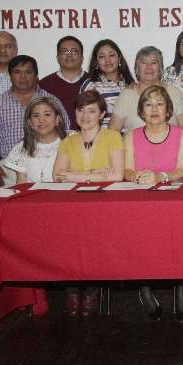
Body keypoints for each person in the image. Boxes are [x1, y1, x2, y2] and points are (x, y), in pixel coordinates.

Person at [123, 86, 183, 321]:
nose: (154, 109)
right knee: (139, 232)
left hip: (174, 198)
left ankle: (182, 286)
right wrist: (135, 176)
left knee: (180, 232)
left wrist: (161, 177)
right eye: (149, 104)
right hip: (141, 200)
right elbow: (126, 170)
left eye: (159, 103)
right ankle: (144, 285)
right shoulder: (130, 135)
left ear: (168, 110)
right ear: (141, 111)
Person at [53, 90, 124, 317]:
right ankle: (73, 292)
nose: (85, 116)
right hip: (72, 205)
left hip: (104, 206)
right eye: (81, 110)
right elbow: (58, 176)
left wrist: (79, 175)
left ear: (102, 113)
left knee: (95, 244)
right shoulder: (67, 140)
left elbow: (117, 175)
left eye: (92, 110)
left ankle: (92, 291)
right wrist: (97, 173)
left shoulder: (113, 137)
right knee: (67, 242)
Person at [0, 55, 70, 187]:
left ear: (36, 76)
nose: (23, 77)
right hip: (9, 169)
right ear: (10, 76)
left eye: (28, 72)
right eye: (17, 72)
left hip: (50, 166)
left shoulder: (51, 101)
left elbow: (65, 130)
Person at [109, 46, 183, 132]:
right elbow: (112, 131)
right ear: (137, 68)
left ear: (160, 68)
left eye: (154, 63)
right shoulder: (126, 95)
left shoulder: (174, 93)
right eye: (143, 62)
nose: (149, 67)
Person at [1, 97, 69, 184]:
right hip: (32, 196)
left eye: (47, 114)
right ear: (30, 123)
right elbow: (21, 185)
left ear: (57, 119)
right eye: (36, 115)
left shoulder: (71, 141)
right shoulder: (22, 148)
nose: (41, 120)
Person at [81, 39, 134, 128]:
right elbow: (84, 117)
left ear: (119, 58)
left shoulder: (131, 84)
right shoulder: (91, 85)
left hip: (130, 139)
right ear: (96, 62)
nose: (107, 60)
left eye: (111, 55)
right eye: (102, 57)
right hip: (102, 139)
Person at [39, 36, 87, 130]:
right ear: (57, 58)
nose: (69, 55)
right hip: (55, 142)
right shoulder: (44, 85)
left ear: (82, 58)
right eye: (64, 51)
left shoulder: (94, 82)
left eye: (74, 51)